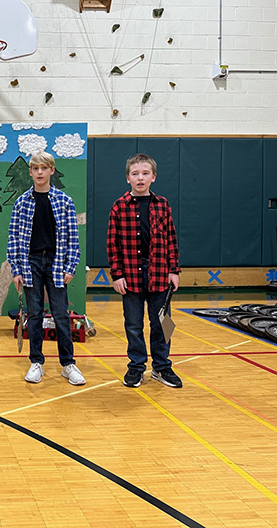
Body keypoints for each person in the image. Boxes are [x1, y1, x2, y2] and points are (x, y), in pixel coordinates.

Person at [7, 151, 84, 386]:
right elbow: (13, 237)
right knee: (35, 314)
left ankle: (68, 364)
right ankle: (36, 362)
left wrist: (70, 266)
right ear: (30, 172)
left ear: (52, 170)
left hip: (56, 261)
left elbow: (72, 236)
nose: (40, 172)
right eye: (35, 168)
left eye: (44, 168)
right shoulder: (21, 202)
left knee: (61, 314)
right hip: (31, 263)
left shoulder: (64, 201)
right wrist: (16, 269)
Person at [107, 153, 182, 388]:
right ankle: (136, 367)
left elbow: (171, 238)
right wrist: (117, 274)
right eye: (135, 174)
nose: (141, 178)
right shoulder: (119, 207)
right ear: (128, 178)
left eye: (145, 173)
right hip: (130, 275)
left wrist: (174, 270)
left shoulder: (163, 204)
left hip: (160, 272)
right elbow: (113, 243)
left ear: (154, 177)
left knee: (163, 323)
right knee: (133, 324)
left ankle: (162, 367)